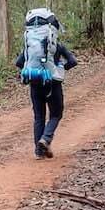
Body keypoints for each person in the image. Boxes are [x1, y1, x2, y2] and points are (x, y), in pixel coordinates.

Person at [15, 9, 77, 159]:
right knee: (56, 114)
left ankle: (39, 152)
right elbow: (73, 61)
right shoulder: (56, 45)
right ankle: (46, 139)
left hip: (34, 82)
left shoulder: (30, 46)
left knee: (39, 117)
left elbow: (18, 62)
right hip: (53, 84)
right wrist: (61, 68)